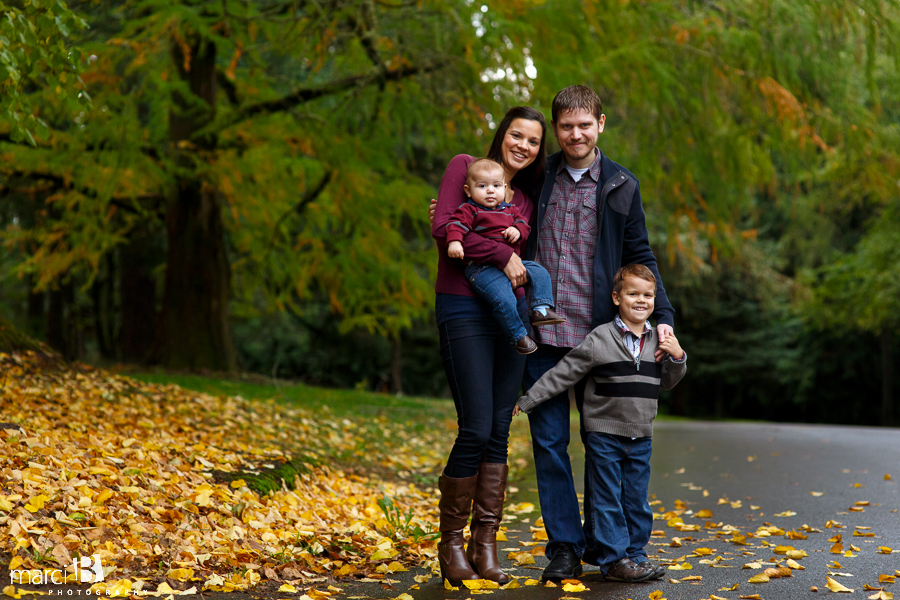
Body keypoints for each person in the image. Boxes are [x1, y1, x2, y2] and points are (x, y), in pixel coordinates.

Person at [522, 85, 676, 581]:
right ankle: (565, 548)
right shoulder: (536, 178)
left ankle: (614, 551)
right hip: (543, 336)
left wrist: (664, 316)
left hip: (599, 341)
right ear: (556, 129)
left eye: (584, 125)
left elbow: (641, 256)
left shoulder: (621, 186)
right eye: (566, 126)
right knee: (549, 444)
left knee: (603, 447)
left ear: (601, 124)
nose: (575, 134)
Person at [431, 107, 547, 585]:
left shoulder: (523, 199)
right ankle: (451, 543)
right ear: (501, 135)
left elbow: (527, 258)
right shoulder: (465, 167)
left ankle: (486, 545)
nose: (522, 145)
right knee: (476, 428)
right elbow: (444, 231)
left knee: (499, 429)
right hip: (462, 311)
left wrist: (511, 254)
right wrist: (503, 253)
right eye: (516, 135)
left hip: (511, 319)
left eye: (534, 141)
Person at [513, 264, 686, 582]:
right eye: (633, 293)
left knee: (636, 499)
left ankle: (635, 554)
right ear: (617, 297)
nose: (641, 300)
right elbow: (562, 373)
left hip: (641, 436)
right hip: (604, 434)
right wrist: (528, 400)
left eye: (648, 295)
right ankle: (613, 560)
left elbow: (668, 383)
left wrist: (677, 357)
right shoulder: (599, 339)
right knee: (607, 499)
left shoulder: (656, 341)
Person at [446, 158, 565, 355]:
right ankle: (519, 336)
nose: (490, 191)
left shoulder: (510, 209)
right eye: (482, 186)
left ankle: (541, 308)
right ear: (468, 190)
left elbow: (523, 225)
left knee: (539, 271)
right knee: (505, 298)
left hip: (511, 265)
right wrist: (455, 242)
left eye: (496, 186)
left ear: (504, 187)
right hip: (483, 269)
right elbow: (456, 225)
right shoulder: (470, 210)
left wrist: (517, 230)